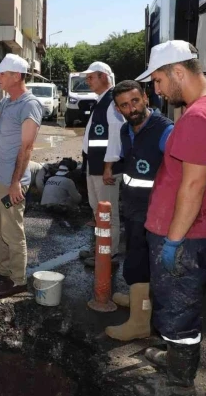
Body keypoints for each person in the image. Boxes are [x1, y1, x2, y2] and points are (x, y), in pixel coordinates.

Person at [135, 41, 206, 395]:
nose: (157, 90)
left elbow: (193, 186)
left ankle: (178, 381)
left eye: (160, 81)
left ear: (179, 72)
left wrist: (174, 241)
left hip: (184, 235)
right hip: (199, 231)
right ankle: (174, 357)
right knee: (177, 304)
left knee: (179, 309)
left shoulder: (199, 117)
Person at [105, 80, 173, 342]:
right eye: (124, 105)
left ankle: (140, 322)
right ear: (118, 108)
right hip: (133, 208)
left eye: (135, 101)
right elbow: (131, 163)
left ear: (145, 98)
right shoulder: (126, 130)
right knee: (134, 257)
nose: (131, 108)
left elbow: (181, 170)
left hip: (154, 212)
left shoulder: (165, 131)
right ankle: (137, 299)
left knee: (142, 263)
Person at [0, 53, 43, 298]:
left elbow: (27, 148)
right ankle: (3, 270)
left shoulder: (29, 104)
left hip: (11, 183)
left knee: (13, 230)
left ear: (16, 76)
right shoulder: (9, 101)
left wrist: (15, 183)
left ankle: (18, 280)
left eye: (2, 74)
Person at [78, 61, 125, 267]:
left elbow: (116, 136)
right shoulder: (102, 100)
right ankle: (100, 247)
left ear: (104, 77)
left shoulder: (112, 101)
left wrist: (108, 167)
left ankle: (109, 254)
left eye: (91, 77)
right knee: (98, 212)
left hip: (105, 168)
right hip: (95, 165)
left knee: (108, 213)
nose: (87, 81)